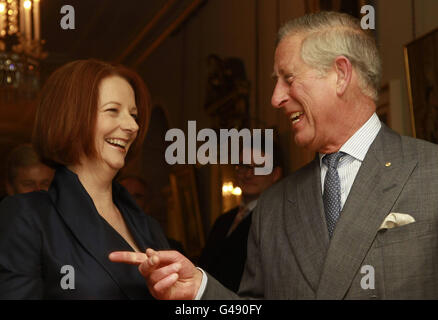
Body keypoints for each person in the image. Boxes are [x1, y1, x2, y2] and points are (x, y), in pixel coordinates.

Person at [109, 11, 438, 299]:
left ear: (340, 74)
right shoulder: (272, 207)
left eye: (288, 78)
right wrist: (198, 289)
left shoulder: (431, 173)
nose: (276, 98)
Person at [0, 59, 170, 299]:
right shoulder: (27, 216)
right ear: (71, 116)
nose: (132, 125)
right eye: (113, 110)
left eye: (134, 115)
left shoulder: (146, 226)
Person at [198, 142, 283, 292]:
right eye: (243, 166)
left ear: (275, 174)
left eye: (258, 167)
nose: (248, 174)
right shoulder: (222, 221)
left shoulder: (278, 220)